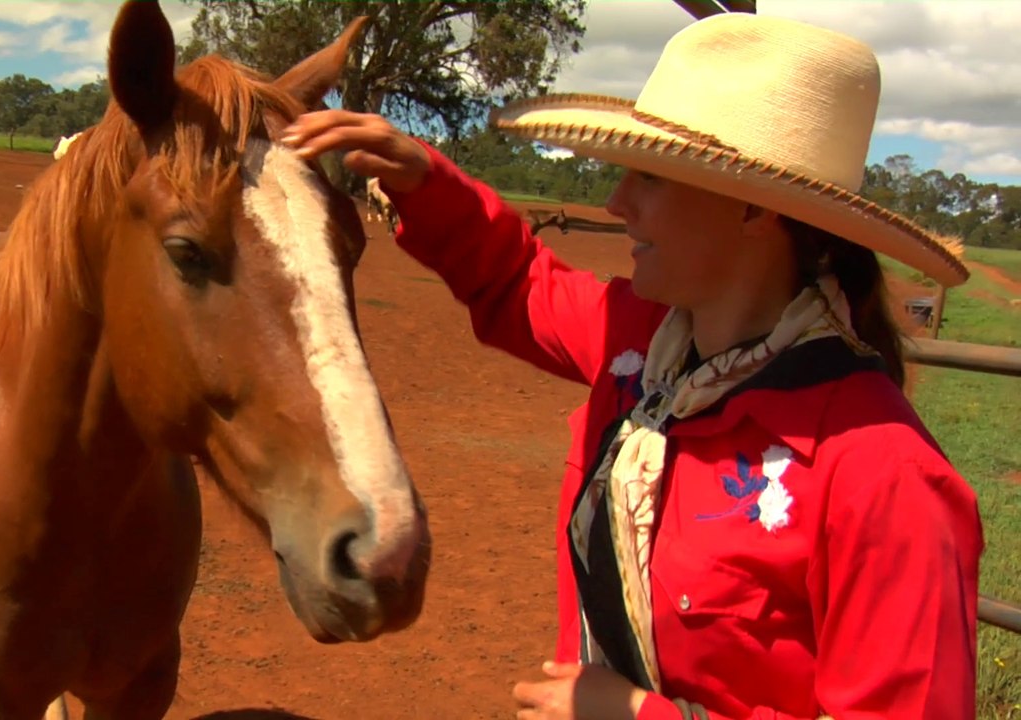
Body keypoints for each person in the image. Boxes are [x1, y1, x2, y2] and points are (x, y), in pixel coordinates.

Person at [280, 11, 983, 720]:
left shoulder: (885, 475)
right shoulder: (645, 347)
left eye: (650, 176)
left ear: (751, 209)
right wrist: (425, 182)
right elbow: (520, 284)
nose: (618, 203)